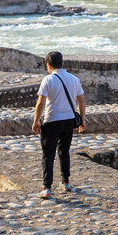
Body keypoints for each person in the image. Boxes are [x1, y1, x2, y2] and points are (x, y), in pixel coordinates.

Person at [32, 51, 86, 199]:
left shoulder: (48, 80)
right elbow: (81, 101)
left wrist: (36, 120)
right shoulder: (74, 79)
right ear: (62, 63)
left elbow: (41, 103)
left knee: (48, 155)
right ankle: (66, 182)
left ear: (48, 65)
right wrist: (82, 120)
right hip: (69, 121)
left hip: (52, 121)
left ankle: (47, 187)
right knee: (64, 151)